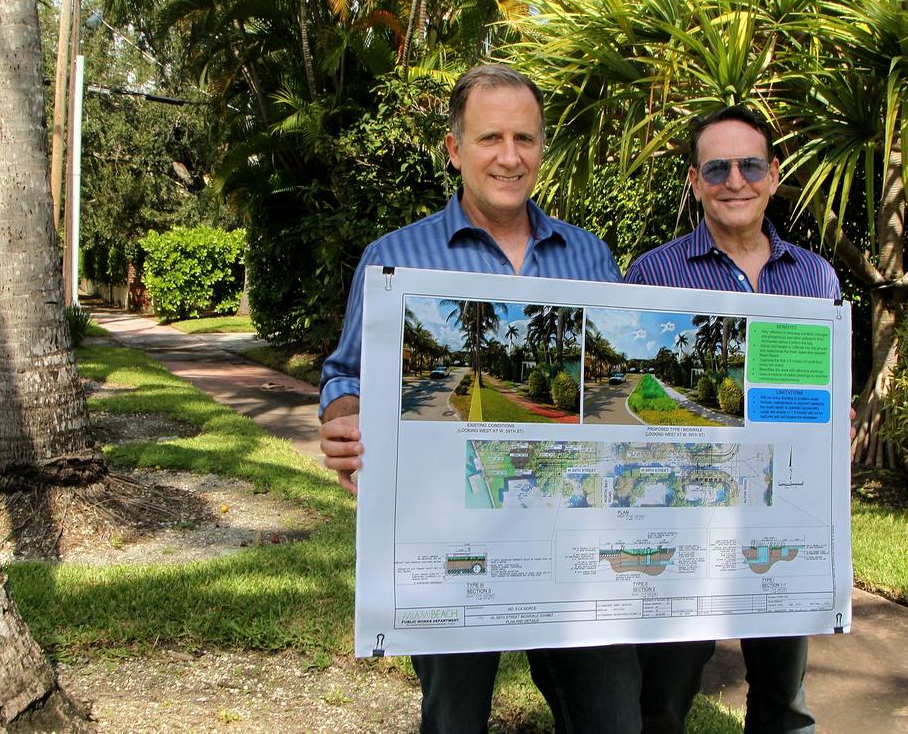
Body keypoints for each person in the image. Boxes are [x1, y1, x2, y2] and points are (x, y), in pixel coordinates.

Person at [318, 64, 642, 734]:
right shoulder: (395, 258)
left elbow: (612, 381)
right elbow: (347, 375)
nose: (509, 156)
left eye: (525, 138)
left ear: (542, 148)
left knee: (611, 716)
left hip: (575, 541)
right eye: (490, 137)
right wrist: (344, 420)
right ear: (454, 148)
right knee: (455, 719)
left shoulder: (590, 257)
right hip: (448, 540)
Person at [624, 105, 840, 734]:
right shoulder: (654, 273)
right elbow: (638, 398)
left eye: (750, 165)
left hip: (782, 517)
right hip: (683, 518)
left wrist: (838, 421)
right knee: (663, 699)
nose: (735, 181)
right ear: (695, 181)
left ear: (774, 175)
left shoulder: (814, 277)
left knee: (783, 700)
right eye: (717, 168)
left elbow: (825, 392)